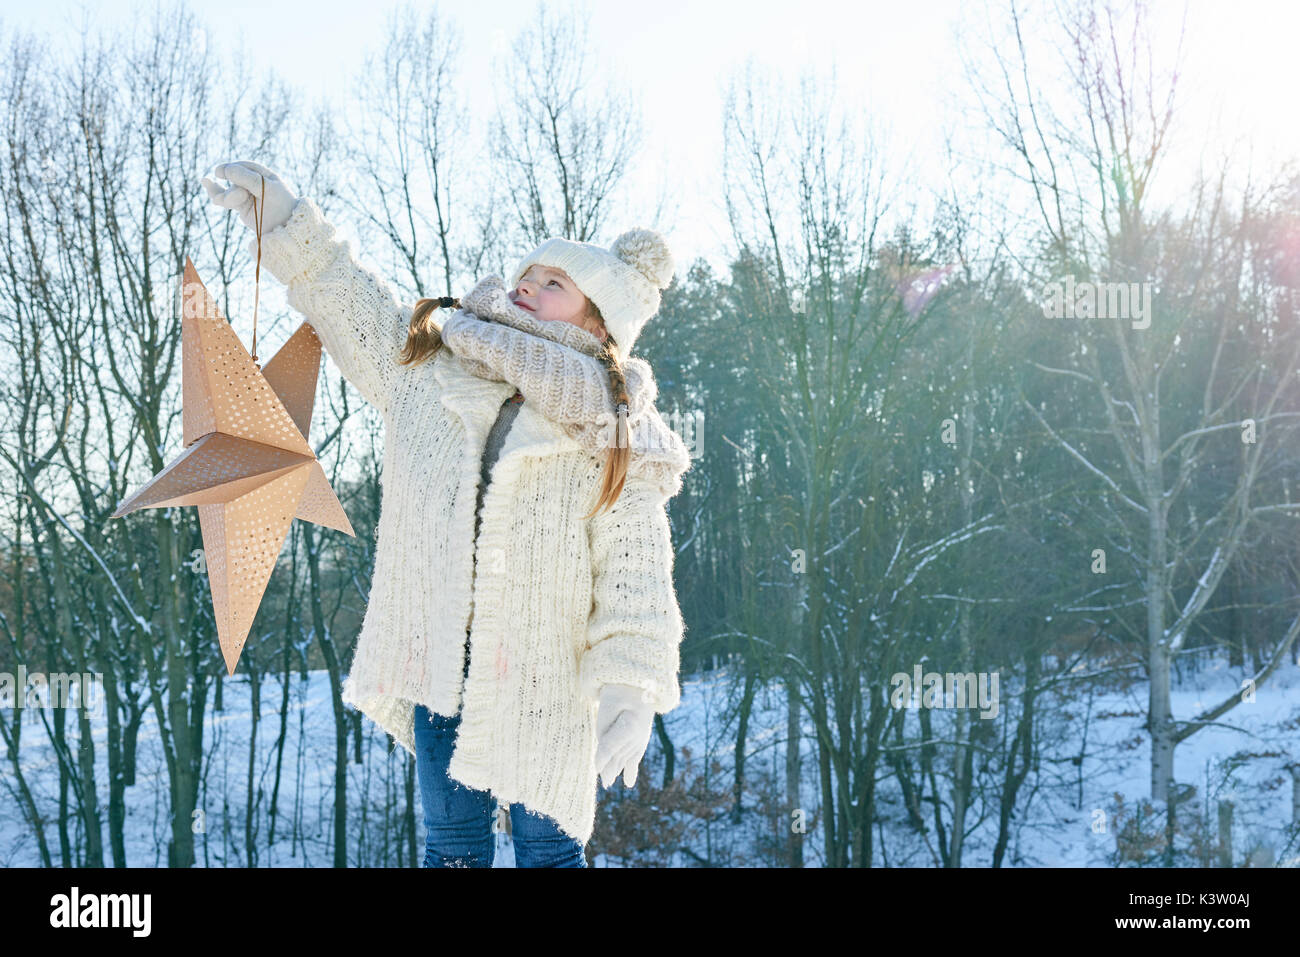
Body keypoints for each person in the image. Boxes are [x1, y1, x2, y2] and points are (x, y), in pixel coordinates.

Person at [202, 160, 692, 867]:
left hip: (547, 682)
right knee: (454, 849)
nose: (528, 285)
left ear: (599, 319)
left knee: (549, 852)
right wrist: (286, 220)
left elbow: (637, 572)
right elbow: (359, 311)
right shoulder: (439, 372)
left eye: (554, 283)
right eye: (527, 274)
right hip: (443, 666)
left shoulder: (616, 435)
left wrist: (630, 683)